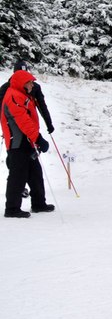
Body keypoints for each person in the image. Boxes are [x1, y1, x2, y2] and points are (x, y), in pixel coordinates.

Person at [1, 69, 53, 218]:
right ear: (22, 83)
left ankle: (38, 203)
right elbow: (23, 122)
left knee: (35, 173)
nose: (32, 85)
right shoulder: (13, 96)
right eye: (30, 82)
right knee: (18, 176)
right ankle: (12, 208)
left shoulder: (23, 95)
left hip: (28, 141)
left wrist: (35, 139)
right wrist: (39, 138)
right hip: (17, 143)